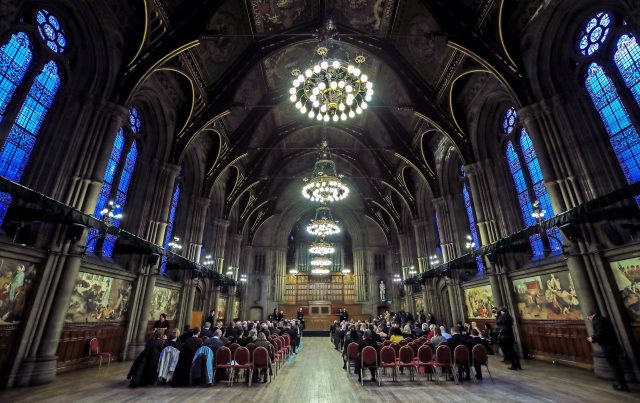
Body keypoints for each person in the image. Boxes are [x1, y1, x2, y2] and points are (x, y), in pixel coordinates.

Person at [587, 311, 629, 391]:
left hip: (608, 347)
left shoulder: (598, 321)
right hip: (613, 345)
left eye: (588, 317)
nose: (588, 319)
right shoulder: (603, 319)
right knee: (617, 366)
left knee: (615, 367)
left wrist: (592, 338)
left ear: (591, 316)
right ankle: (622, 384)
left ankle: (622, 385)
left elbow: (601, 333)